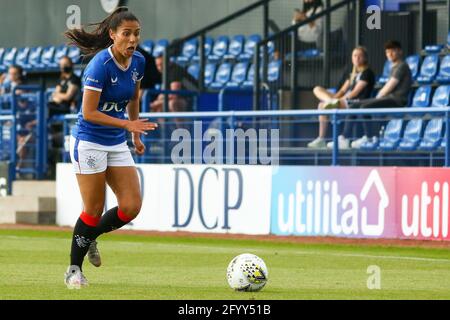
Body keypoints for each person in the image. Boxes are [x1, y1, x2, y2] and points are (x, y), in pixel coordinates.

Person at [63, 7, 158, 289]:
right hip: (89, 141)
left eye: (136, 34)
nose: (132, 40)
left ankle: (90, 236)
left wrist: (135, 132)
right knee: (93, 209)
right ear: (112, 35)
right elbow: (89, 112)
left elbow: (133, 98)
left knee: (131, 206)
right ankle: (73, 271)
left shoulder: (138, 61)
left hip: (116, 141)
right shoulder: (99, 66)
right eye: (126, 34)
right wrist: (128, 127)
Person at [318, 40, 412, 147]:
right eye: (387, 52)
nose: (389, 54)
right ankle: (344, 138)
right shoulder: (393, 67)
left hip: (397, 100)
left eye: (393, 51)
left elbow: (389, 86)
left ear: (400, 52)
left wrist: (377, 98)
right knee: (354, 106)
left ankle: (369, 137)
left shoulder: (402, 66)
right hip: (389, 98)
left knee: (364, 107)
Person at [307, 46, 375, 149]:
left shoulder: (367, 73)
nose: (357, 58)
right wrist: (333, 99)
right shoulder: (352, 74)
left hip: (355, 102)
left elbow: (355, 93)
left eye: (360, 56)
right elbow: (342, 91)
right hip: (343, 99)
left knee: (322, 106)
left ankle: (323, 138)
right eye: (354, 56)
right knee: (317, 89)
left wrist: (338, 100)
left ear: (365, 58)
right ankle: (321, 140)